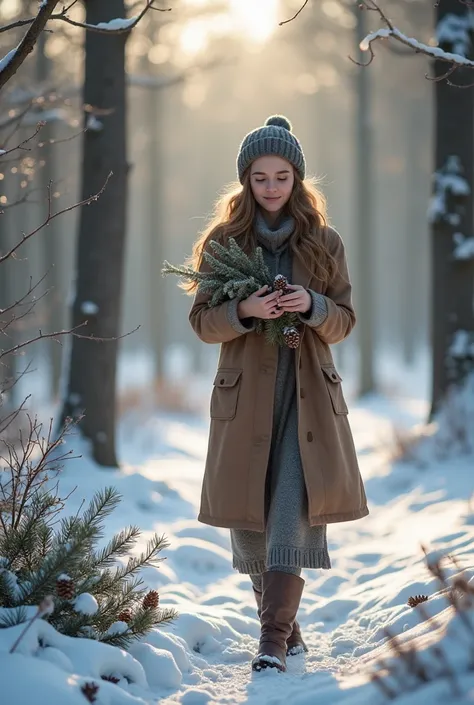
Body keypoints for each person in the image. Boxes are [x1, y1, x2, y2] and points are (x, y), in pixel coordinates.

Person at [187, 115, 369, 673]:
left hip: (307, 396)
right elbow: (201, 322)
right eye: (260, 177)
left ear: (297, 179)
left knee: (291, 508)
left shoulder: (323, 242)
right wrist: (245, 310)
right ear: (245, 180)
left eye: (281, 176)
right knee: (255, 520)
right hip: (245, 402)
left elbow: (344, 320)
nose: (271, 187)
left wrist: (311, 306)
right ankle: (286, 629)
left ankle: (271, 641)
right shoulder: (224, 243)